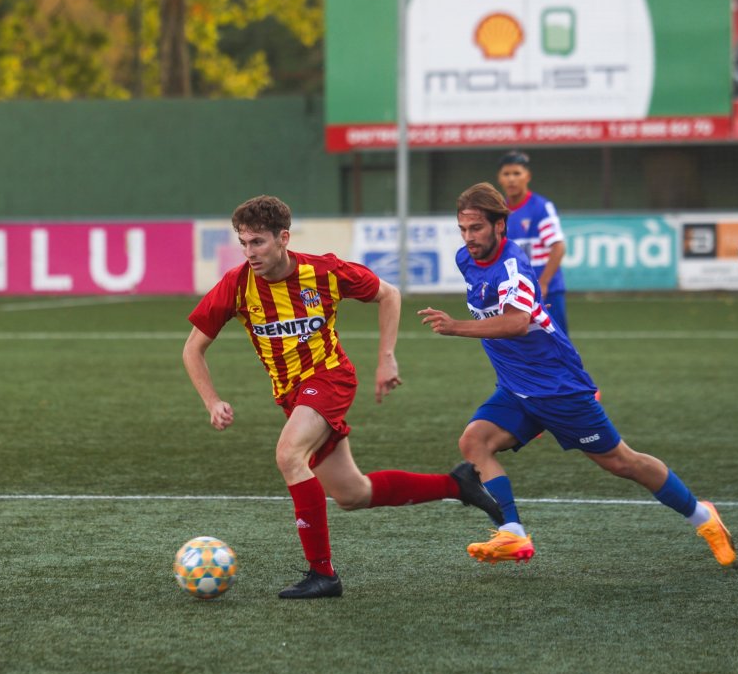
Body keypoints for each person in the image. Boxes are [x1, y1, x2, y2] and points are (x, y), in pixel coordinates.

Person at [183, 195, 504, 599]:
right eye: (244, 243)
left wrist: (386, 357)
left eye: (258, 242)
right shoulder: (237, 284)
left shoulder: (324, 271)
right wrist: (211, 400)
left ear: (283, 238)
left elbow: (389, 294)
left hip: (329, 379)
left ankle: (323, 575)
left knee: (288, 456)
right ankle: (457, 485)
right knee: (353, 494)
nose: (250, 253)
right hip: (291, 395)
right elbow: (192, 348)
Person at [418, 182, 736, 568]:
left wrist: (456, 327)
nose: (469, 238)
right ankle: (513, 533)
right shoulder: (466, 259)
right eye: (463, 229)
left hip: (557, 387)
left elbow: (518, 323)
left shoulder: (513, 266)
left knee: (623, 463)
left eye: (477, 229)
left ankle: (704, 518)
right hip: (516, 388)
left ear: (501, 225)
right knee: (474, 442)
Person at [497, 151, 570, 334]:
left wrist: (543, 283)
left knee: (557, 343)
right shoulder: (499, 212)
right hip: (517, 294)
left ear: (527, 176)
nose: (511, 179)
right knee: (523, 347)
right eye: (506, 174)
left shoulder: (540, 207)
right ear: (499, 178)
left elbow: (558, 247)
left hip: (547, 291)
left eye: (517, 173)